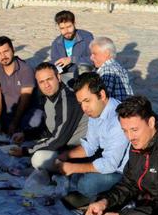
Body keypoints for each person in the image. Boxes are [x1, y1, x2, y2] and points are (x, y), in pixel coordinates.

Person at [53, 72, 129, 205]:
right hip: (107, 163)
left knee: (85, 183)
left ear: (102, 95)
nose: (84, 108)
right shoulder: (95, 112)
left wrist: (73, 168)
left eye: (87, 101)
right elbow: (90, 146)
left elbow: (110, 164)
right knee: (73, 173)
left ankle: (99, 198)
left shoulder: (118, 119)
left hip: (122, 173)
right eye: (80, 103)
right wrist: (66, 155)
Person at [9, 62, 88, 170]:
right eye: (41, 82)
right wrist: (26, 135)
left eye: (49, 79)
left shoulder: (67, 100)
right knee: (28, 143)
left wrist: (25, 151)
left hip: (77, 151)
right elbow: (50, 129)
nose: (46, 85)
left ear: (58, 78)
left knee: (38, 159)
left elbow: (59, 139)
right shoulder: (47, 97)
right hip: (62, 144)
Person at [0, 36, 43, 137]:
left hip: (23, 112)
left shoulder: (26, 69)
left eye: (6, 51)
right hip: (4, 110)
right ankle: (0, 125)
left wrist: (15, 122)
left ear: (13, 50)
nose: (3, 56)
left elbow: (25, 99)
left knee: (36, 118)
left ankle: (16, 129)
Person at [49, 10, 94, 82]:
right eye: (62, 28)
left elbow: (93, 59)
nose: (66, 31)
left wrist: (72, 59)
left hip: (85, 76)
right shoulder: (56, 43)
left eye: (69, 26)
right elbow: (55, 63)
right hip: (65, 77)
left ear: (74, 23)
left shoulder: (87, 37)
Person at [90, 37, 134, 102]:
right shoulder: (117, 66)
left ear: (106, 53)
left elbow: (102, 98)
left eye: (94, 54)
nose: (91, 58)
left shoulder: (107, 69)